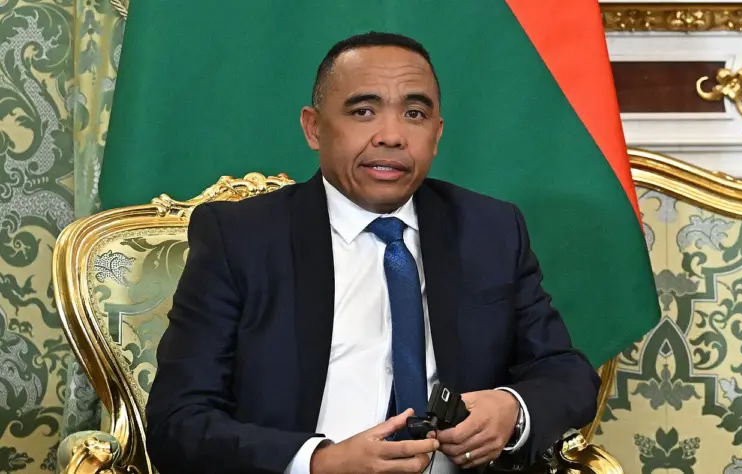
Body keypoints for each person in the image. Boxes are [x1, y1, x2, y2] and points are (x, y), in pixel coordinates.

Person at [145, 31, 600, 474]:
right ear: (313, 128)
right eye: (363, 111)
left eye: (415, 114)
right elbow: (177, 422)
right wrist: (317, 462)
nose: (392, 136)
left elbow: (567, 373)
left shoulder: (490, 230)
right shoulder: (240, 239)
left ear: (437, 135)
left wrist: (511, 408)